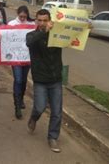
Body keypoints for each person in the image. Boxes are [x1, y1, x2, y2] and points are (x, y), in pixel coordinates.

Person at [26, 9, 63, 153]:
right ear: (36, 21)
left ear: (50, 20)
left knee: (57, 111)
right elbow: (30, 42)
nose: (42, 23)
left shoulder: (57, 35)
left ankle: (52, 137)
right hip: (40, 80)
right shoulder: (32, 35)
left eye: (45, 20)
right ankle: (34, 118)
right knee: (40, 107)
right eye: (39, 20)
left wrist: (85, 27)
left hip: (55, 79)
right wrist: (44, 31)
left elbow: (73, 35)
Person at [8, 6, 35, 119]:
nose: (23, 18)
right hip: (15, 58)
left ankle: (21, 98)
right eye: (21, 16)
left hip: (27, 57)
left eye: (25, 16)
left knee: (23, 80)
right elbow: (6, 38)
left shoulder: (31, 24)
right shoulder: (11, 24)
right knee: (18, 80)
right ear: (17, 14)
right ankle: (17, 106)